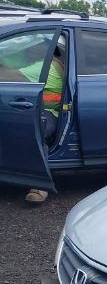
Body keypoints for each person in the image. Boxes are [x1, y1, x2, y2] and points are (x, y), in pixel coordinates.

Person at [17, 35, 66, 203]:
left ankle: (39, 184)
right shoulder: (40, 65)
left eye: (32, 46)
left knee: (36, 132)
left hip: (50, 116)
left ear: (46, 48)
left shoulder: (47, 67)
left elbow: (8, 75)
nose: (28, 50)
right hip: (42, 112)